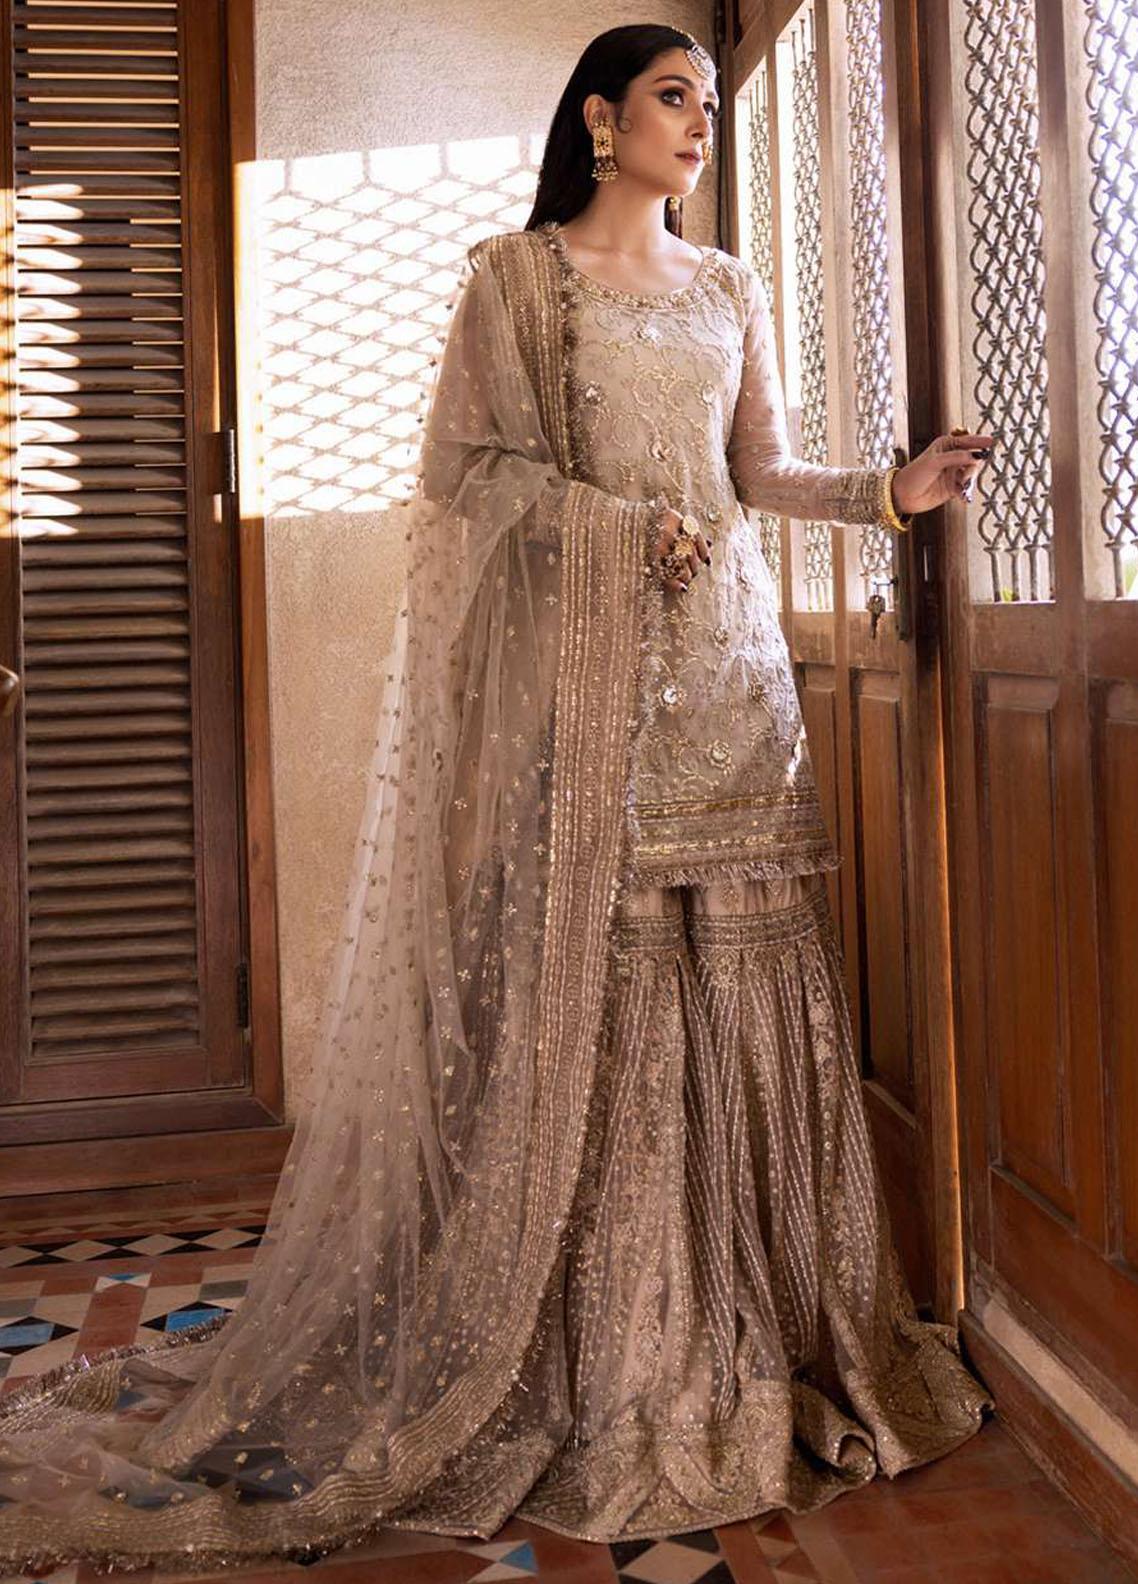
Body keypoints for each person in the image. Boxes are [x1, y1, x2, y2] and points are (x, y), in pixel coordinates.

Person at [0, 23, 996, 1572]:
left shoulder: (728, 287)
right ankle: (604, 1354)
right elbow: (463, 482)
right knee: (605, 1004)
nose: (697, 123)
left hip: (730, 695)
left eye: (706, 100)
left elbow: (755, 473)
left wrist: (887, 493)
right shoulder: (516, 282)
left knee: (744, 997)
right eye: (672, 97)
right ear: (601, 118)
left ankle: (752, 1337)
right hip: (591, 715)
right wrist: (615, 528)